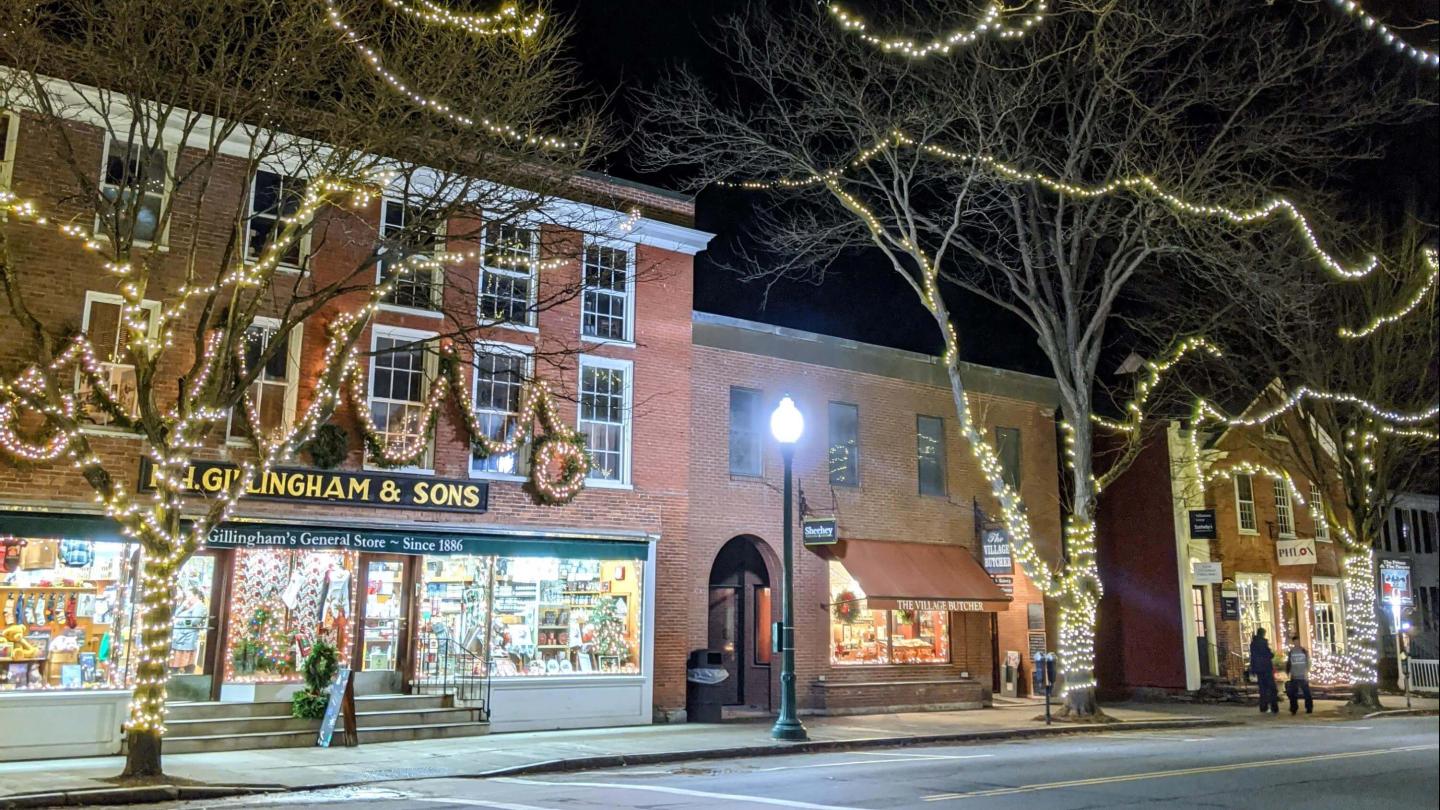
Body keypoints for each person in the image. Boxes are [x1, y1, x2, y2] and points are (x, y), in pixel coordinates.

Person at [1249, 628, 1278, 714]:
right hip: (1266, 668)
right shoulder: (1263, 642)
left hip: (1259, 669)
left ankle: (1263, 706)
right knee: (1272, 688)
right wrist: (1271, 655)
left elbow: (1253, 656)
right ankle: (1274, 707)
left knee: (1262, 689)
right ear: (1263, 634)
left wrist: (1253, 668)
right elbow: (1268, 654)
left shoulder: (1253, 643)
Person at [1286, 635, 1314, 715]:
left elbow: (1308, 662)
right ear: (1293, 642)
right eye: (1295, 641)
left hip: (1302, 675)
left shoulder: (1303, 651)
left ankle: (1308, 708)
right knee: (1294, 694)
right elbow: (1289, 663)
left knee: (1306, 693)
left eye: (1297, 641)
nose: (1296, 643)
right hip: (1294, 675)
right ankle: (1294, 709)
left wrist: (1306, 672)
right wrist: (1289, 672)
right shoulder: (1291, 652)